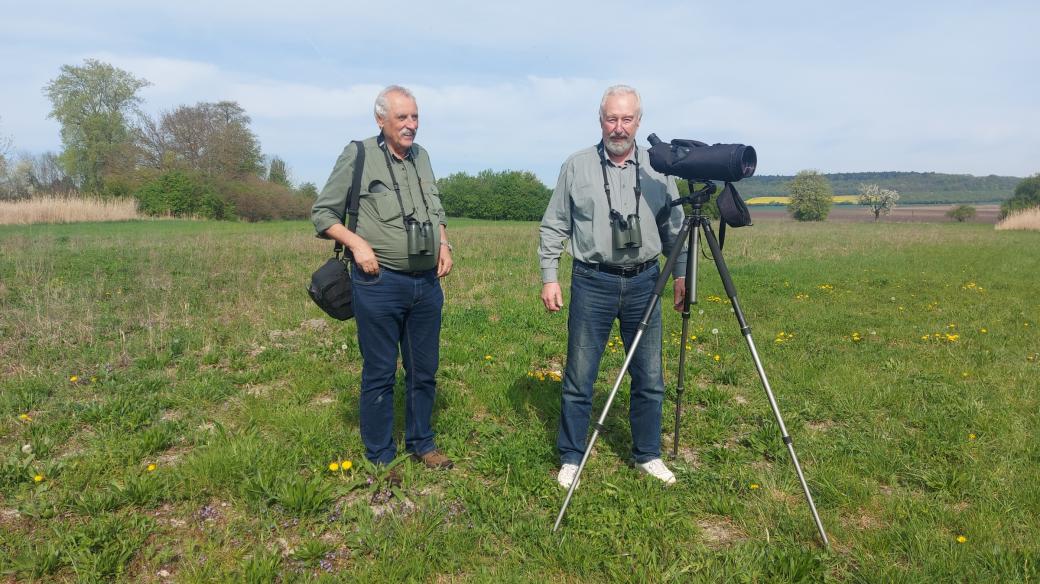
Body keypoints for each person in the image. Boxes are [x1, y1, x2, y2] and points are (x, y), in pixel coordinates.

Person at [538, 85, 687, 488]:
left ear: (639, 122)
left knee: (649, 375)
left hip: (645, 282)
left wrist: (681, 275)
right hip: (592, 281)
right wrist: (549, 276)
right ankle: (571, 456)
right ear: (599, 119)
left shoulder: (659, 169)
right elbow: (555, 223)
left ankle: (648, 454)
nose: (618, 128)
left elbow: (675, 228)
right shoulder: (577, 166)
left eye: (626, 119)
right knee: (580, 374)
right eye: (611, 118)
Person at [312, 85, 454, 475]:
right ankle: (380, 456)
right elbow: (323, 215)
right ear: (381, 120)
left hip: (426, 284)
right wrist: (357, 244)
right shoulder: (358, 155)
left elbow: (434, 206)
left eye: (415, 117)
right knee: (380, 371)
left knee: (424, 369)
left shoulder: (421, 157)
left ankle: (422, 443)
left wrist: (444, 242)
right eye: (402, 118)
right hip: (379, 283)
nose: (411, 125)